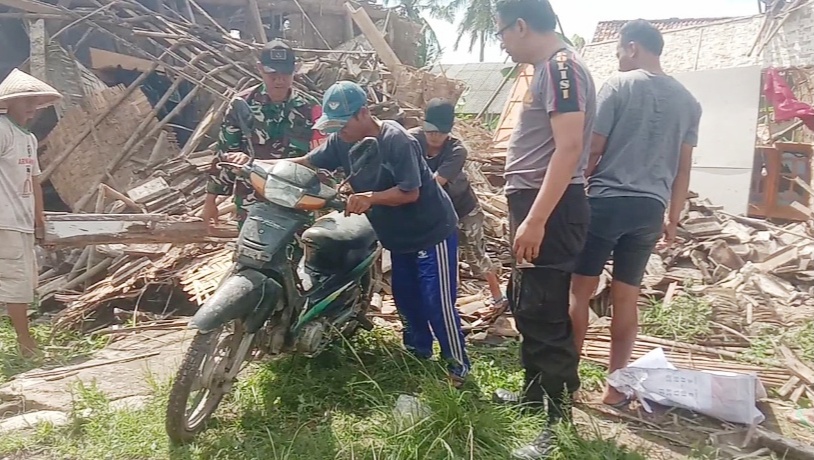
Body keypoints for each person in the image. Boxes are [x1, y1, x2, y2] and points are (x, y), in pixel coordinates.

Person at [285, 81, 471, 387]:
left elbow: (410, 192)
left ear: (363, 113)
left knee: (436, 300)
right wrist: (260, 166)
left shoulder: (397, 140)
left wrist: (370, 198)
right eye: (333, 126)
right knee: (406, 297)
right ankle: (417, 352)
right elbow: (308, 162)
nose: (338, 131)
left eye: (343, 124)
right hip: (397, 236)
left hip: (430, 230)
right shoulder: (342, 141)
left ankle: (457, 364)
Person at [569, 20, 702, 407]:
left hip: (606, 202)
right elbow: (684, 168)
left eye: (619, 52)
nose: (618, 59)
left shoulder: (619, 85)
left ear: (632, 48)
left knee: (580, 292)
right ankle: (615, 390)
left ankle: (569, 384)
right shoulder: (689, 101)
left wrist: (570, 191)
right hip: (650, 209)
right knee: (627, 298)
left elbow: (593, 149)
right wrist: (673, 218)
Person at [490, 0, 596, 458]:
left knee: (546, 309)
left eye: (501, 31)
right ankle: (536, 396)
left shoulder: (561, 67)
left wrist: (536, 218)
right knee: (530, 304)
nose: (500, 41)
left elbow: (569, 148)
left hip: (548, 207)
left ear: (520, 25)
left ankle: (555, 423)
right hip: (540, 202)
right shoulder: (556, 68)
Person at [204, 40, 326, 227]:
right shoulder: (242, 105)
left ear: (295, 70)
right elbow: (224, 153)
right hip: (252, 202)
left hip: (296, 202)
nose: (279, 79)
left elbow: (323, 158)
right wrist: (210, 201)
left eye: (285, 73)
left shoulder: (311, 108)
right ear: (260, 69)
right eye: (272, 73)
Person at [409, 98, 508, 310]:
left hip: (462, 208)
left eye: (441, 132)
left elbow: (435, 183)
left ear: (449, 130)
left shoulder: (457, 150)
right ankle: (443, 302)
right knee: (438, 258)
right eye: (430, 130)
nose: (435, 136)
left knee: (475, 253)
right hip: (431, 211)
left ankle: (498, 296)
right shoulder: (410, 140)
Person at [0, 69, 62, 356]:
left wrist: (41, 220)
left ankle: (25, 340)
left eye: (34, 101)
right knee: (15, 282)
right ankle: (26, 344)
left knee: (22, 281)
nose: (31, 107)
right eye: (25, 100)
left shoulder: (28, 139)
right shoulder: (1, 130)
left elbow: (34, 180)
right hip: (5, 220)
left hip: (22, 221)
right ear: (9, 103)